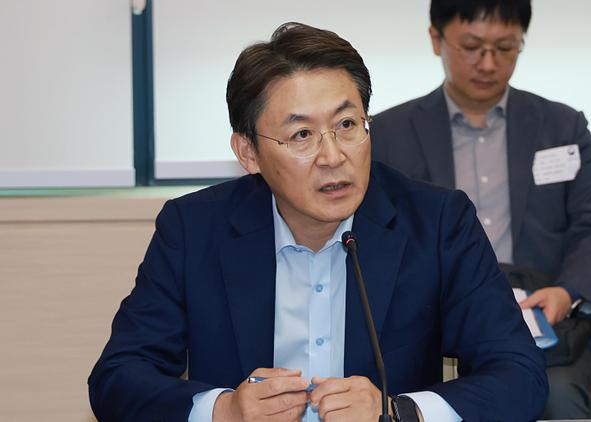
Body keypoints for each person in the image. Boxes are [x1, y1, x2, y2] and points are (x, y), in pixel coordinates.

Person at [89, 22, 547, 422]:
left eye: (347, 125)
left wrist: (399, 412)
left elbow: (520, 375)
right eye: (302, 134)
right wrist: (223, 410)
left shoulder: (437, 222)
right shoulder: (194, 228)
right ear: (248, 152)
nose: (333, 157)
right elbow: (118, 378)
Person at [370, 1, 591, 419]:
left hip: (539, 322)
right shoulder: (388, 133)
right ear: (436, 39)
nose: (488, 64)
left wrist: (568, 292)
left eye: (505, 48)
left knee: (556, 399)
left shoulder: (562, 126)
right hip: (428, 322)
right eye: (471, 47)